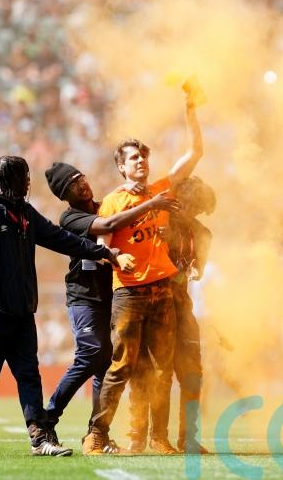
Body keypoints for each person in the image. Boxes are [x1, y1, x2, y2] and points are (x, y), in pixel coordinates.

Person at [0, 155, 130, 458]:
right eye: (23, 178)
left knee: (29, 375)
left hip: (22, 312)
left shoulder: (24, 213)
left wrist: (103, 252)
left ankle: (40, 438)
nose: (28, 183)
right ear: (10, 181)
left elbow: (62, 239)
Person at [82, 82, 204, 455]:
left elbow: (195, 152)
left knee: (162, 371)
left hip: (162, 292)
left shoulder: (160, 191)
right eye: (133, 158)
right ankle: (97, 435)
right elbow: (102, 244)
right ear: (121, 166)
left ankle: (158, 438)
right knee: (120, 368)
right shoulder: (114, 201)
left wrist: (190, 109)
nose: (141, 162)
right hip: (129, 294)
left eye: (144, 158)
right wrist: (117, 257)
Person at [43, 161, 180, 447]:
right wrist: (148, 203)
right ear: (64, 194)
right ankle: (47, 420)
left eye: (81, 177)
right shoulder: (70, 218)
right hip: (85, 296)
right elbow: (108, 225)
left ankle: (96, 434)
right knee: (92, 354)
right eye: (72, 184)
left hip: (114, 294)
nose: (82, 184)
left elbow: (119, 212)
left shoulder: (108, 202)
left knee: (107, 364)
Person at [128, 176, 216, 454]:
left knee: (192, 373)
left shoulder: (203, 234)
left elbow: (196, 270)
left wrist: (190, 270)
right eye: (193, 205)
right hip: (151, 306)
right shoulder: (157, 221)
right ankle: (141, 436)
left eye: (200, 209)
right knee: (151, 373)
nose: (195, 212)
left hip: (181, 307)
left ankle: (188, 438)